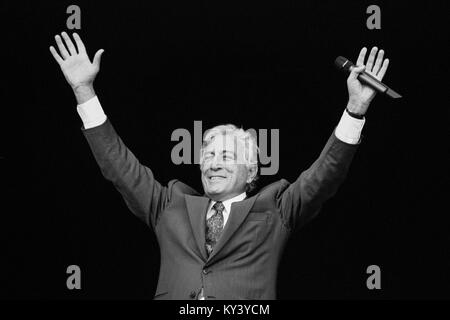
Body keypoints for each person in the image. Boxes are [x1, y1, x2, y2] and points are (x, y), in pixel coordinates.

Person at [50, 31, 390, 300]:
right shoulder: (170, 204)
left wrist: (355, 109)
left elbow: (326, 174)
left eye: (226, 157)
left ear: (252, 172)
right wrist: (84, 91)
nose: (213, 164)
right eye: (209, 156)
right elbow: (118, 165)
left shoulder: (276, 209)